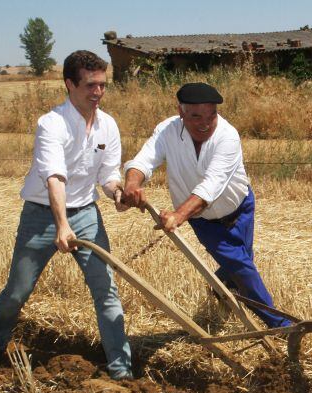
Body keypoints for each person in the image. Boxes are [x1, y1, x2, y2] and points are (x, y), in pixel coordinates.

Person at [0, 50, 133, 380]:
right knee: (18, 291)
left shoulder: (108, 125)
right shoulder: (51, 124)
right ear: (69, 84)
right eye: (90, 86)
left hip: (86, 214)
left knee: (105, 291)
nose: (98, 93)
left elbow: (107, 176)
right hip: (41, 217)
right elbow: (55, 178)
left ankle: (122, 371)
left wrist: (117, 194)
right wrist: (61, 225)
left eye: (102, 86)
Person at [122, 82, 290, 329]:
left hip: (241, 207)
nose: (205, 123)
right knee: (242, 267)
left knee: (243, 260)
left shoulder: (227, 135)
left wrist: (178, 215)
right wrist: (132, 182)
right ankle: (280, 325)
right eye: (195, 116)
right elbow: (144, 160)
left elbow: (212, 184)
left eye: (211, 115)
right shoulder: (167, 131)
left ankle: (221, 283)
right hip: (204, 221)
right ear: (180, 112)